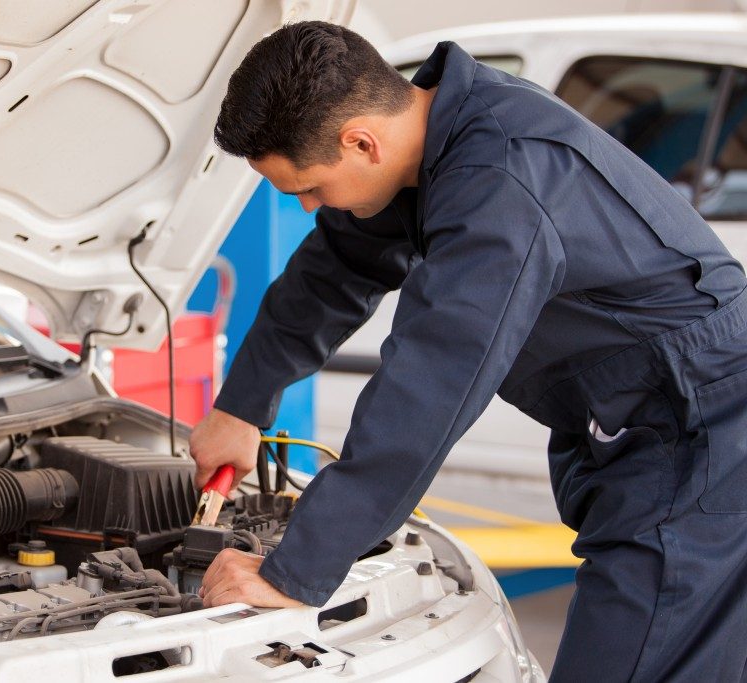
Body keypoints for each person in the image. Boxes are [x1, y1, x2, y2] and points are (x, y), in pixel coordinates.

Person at [189, 21, 747, 682]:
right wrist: (242, 406)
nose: (311, 205)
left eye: (307, 187)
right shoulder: (432, 141)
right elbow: (333, 270)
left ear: (359, 140)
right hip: (644, 418)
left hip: (697, 434)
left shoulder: (500, 182)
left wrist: (294, 571)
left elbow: (431, 383)